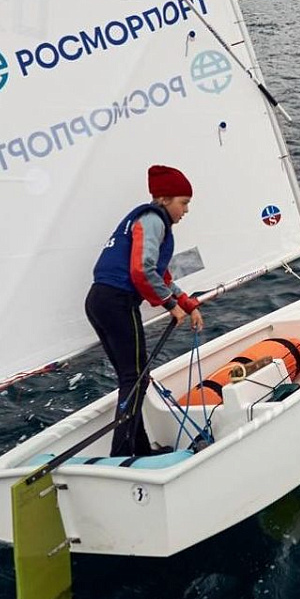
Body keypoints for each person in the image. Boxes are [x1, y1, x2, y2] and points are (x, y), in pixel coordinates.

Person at [86, 164, 205, 458]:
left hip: (99, 300)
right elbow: (141, 270)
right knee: (136, 377)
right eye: (184, 202)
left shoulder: (147, 220)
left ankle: (136, 448)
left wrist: (186, 303)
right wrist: (170, 305)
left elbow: (158, 275)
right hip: (117, 302)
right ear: (164, 199)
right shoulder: (153, 220)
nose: (186, 210)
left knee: (132, 378)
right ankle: (123, 453)